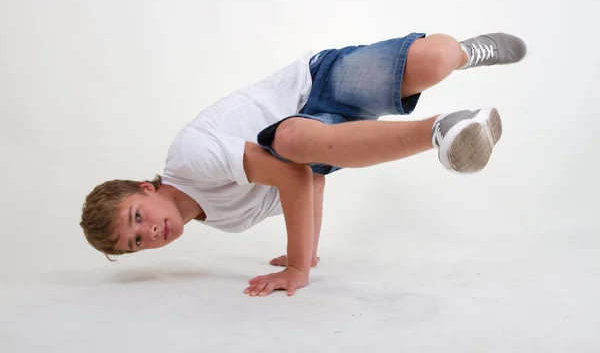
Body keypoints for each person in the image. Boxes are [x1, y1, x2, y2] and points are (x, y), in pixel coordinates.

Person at [80, 32, 528, 297]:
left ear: (145, 187)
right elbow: (310, 178)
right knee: (295, 142)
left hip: (317, 82)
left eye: (137, 218)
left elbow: (292, 172)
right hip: (320, 138)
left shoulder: (188, 158)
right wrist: (308, 247)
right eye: (137, 242)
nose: (150, 233)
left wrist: (298, 267)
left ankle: (470, 51)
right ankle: (446, 129)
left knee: (435, 59)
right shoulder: (226, 221)